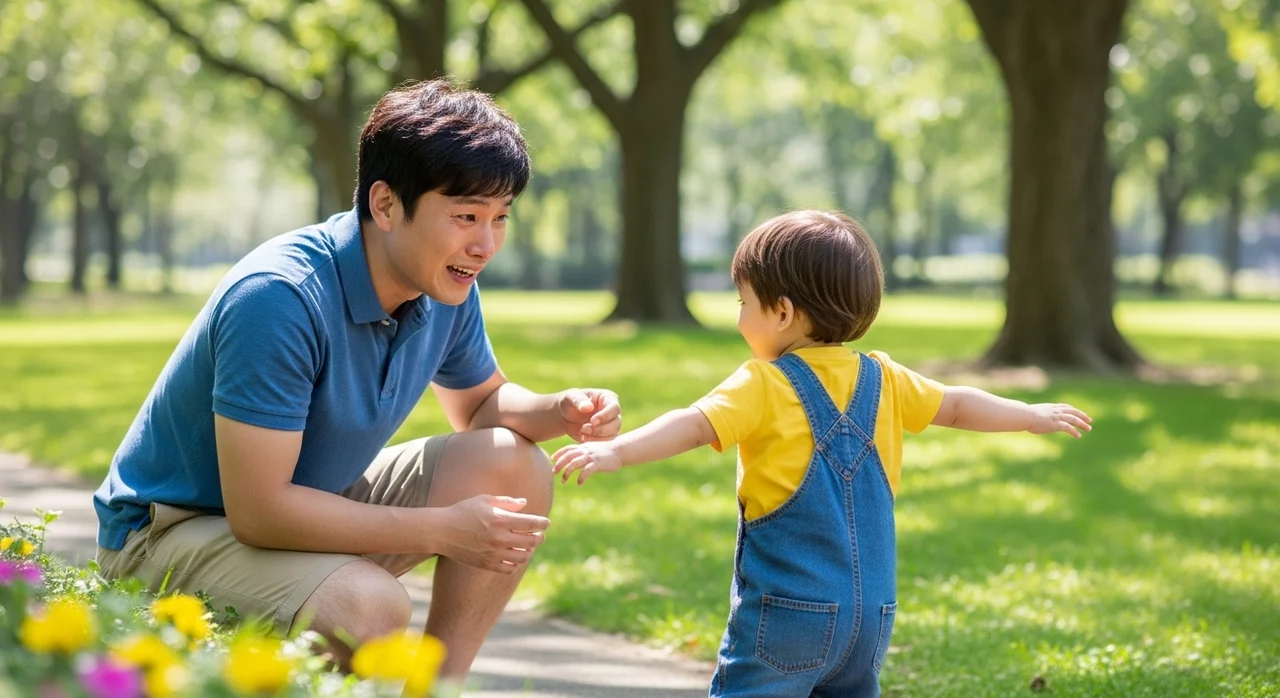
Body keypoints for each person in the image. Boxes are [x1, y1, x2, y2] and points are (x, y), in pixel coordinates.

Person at [93, 78, 622, 678]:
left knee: (513, 464)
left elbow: (480, 407)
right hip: (170, 534)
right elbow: (258, 511)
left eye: (500, 218)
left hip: (304, 502)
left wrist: (561, 410)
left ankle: (436, 692)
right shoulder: (280, 297)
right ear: (385, 205)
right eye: (467, 216)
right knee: (366, 606)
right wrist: (443, 529)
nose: (485, 245)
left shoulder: (444, 281)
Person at [552, 210, 1093, 697]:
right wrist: (1028, 415)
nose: (740, 317)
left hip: (788, 614)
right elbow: (955, 405)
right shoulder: (884, 378)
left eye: (745, 302)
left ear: (782, 311)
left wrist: (619, 451)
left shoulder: (761, 384)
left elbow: (692, 426)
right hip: (871, 619)